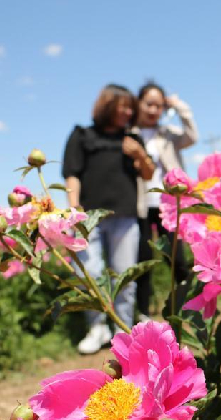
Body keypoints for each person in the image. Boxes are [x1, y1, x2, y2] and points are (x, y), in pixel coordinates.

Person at [62, 84, 155, 354]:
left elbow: (148, 174)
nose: (127, 111)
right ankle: (97, 326)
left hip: (125, 218)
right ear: (106, 106)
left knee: (125, 277)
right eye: (122, 106)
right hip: (88, 218)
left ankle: (123, 332)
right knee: (88, 273)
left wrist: (138, 154)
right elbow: (71, 173)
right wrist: (74, 208)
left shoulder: (133, 138)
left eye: (130, 107)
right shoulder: (82, 135)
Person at [132, 81, 198, 320]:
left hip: (168, 206)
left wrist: (179, 106)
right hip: (139, 205)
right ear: (138, 104)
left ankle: (186, 306)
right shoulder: (130, 134)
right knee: (142, 261)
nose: (153, 110)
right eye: (148, 104)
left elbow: (192, 136)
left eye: (159, 105)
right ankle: (143, 312)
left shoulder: (168, 134)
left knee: (178, 259)